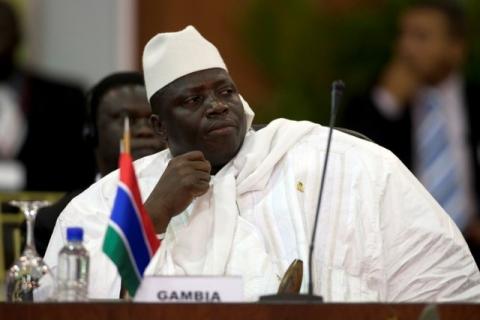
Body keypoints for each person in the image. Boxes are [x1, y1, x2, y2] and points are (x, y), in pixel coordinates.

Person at [40, 26, 480, 302]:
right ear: (158, 126)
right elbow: (61, 304)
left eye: (225, 92)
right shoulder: (106, 203)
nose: (217, 106)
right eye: (194, 100)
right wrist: (151, 216)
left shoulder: (333, 160)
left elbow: (445, 283)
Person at [341, 1, 480, 263]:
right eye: (402, 35)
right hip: (402, 253)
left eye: (421, 37)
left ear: (456, 48)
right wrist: (387, 103)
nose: (405, 48)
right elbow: (350, 168)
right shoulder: (372, 102)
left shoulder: (474, 101)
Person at [30, 72, 167, 257]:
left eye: (152, 120)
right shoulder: (54, 219)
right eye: (127, 119)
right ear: (91, 131)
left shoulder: (194, 204)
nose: (144, 130)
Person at [0, 1, 94, 191]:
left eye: (1, 30)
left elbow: (79, 169)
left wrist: (18, 177)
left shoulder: (66, 98)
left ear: (18, 36)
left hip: (46, 214)